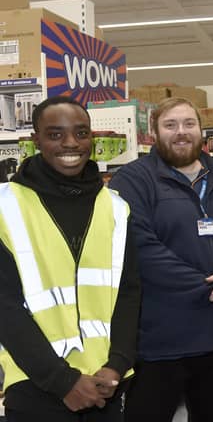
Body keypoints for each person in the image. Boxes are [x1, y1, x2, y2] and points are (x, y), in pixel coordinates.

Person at [109, 97, 213, 421]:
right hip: (161, 343)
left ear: (201, 132)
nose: (181, 132)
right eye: (170, 125)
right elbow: (142, 249)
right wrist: (211, 287)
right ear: (153, 133)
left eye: (188, 124)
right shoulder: (133, 181)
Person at [0, 95, 140, 421]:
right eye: (55, 134)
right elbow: (4, 306)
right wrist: (63, 382)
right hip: (36, 385)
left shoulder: (116, 208)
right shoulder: (6, 208)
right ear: (36, 140)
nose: (70, 143)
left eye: (81, 133)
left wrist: (117, 363)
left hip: (104, 384)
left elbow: (129, 292)